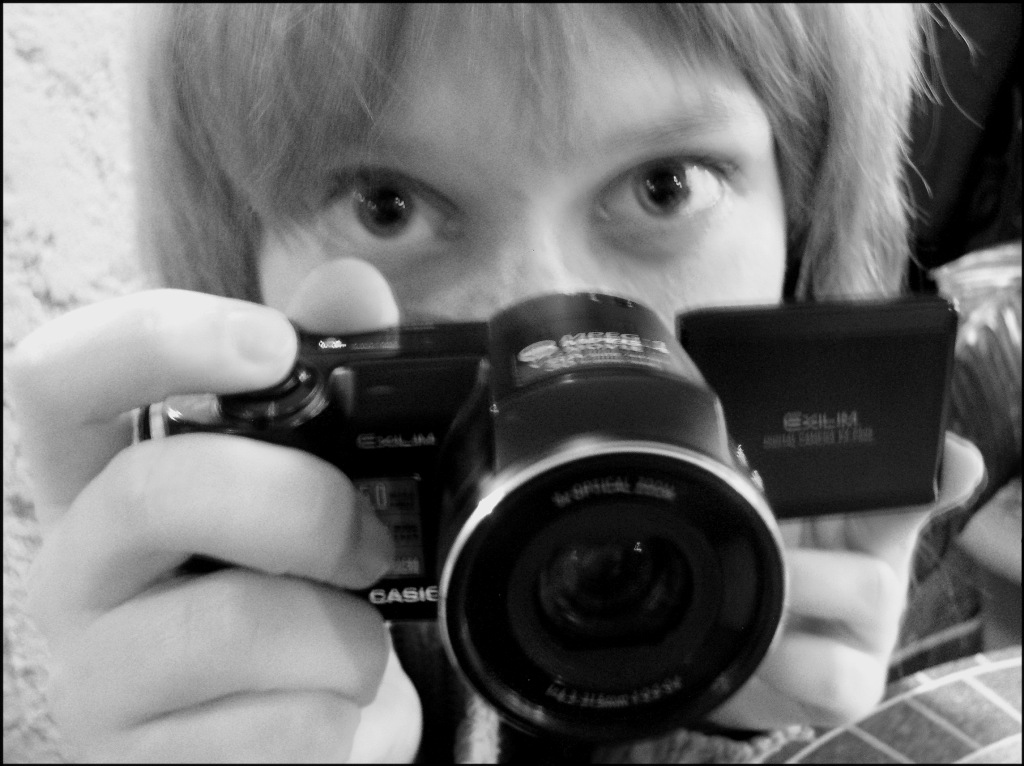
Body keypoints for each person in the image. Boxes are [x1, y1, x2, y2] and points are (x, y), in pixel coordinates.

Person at [8, 3, 975, 762]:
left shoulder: (851, 577)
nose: (538, 315)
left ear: (805, 222)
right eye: (386, 205)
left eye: (665, 186)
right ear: (236, 260)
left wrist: (726, 731)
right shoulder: (219, 588)